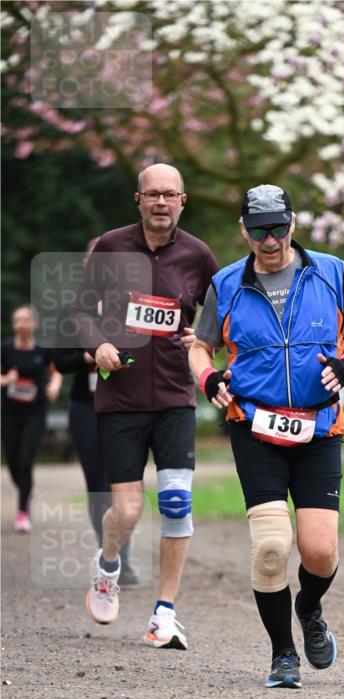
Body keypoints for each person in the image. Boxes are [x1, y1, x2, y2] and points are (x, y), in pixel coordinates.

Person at [190, 184, 344, 689]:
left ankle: (309, 609)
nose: (270, 240)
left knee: (319, 553)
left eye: (278, 228)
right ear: (244, 230)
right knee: (271, 546)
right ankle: (282, 654)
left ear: (293, 224)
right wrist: (209, 379)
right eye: (259, 230)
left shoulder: (330, 271)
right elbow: (199, 347)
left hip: (318, 427)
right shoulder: (225, 283)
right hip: (255, 426)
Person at [68, 163, 218, 648]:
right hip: (122, 397)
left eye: (168, 195)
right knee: (128, 512)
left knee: (176, 503)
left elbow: (223, 316)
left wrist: (207, 338)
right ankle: (108, 563)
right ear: (138, 200)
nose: (160, 202)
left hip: (176, 397)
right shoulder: (111, 246)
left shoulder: (198, 255)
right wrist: (97, 347)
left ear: (182, 201)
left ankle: (164, 613)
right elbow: (77, 310)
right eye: (151, 194)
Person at [53, 239, 138, 585]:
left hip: (124, 405)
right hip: (85, 406)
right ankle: (113, 556)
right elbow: (59, 360)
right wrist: (91, 356)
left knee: (124, 484)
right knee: (98, 485)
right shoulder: (70, 309)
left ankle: (121, 556)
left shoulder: (130, 305)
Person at [1, 305, 62, 532]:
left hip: (35, 413)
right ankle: (27, 490)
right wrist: (7, 380)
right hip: (9, 414)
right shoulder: (5, 349)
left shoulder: (43, 350)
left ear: (34, 323)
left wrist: (54, 386)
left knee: (26, 461)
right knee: (14, 464)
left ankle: (22, 512)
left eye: (26, 320)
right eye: (17, 320)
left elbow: (55, 371)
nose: (21, 324)